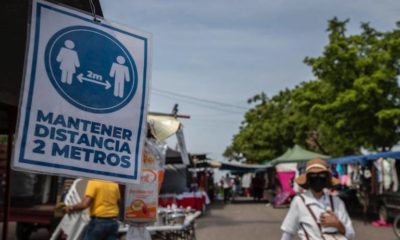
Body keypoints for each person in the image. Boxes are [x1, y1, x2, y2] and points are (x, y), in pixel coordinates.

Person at [280, 159, 355, 240]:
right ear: (308, 179)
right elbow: (288, 233)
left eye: (322, 175)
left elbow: (351, 235)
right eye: (313, 175)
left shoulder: (337, 202)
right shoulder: (299, 202)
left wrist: (338, 224)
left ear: (326, 178)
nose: (318, 178)